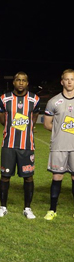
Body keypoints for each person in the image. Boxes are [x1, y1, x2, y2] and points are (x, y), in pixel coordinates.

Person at [0, 72, 40, 219]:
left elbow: (33, 118)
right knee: (5, 176)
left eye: (24, 80)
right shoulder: (4, 99)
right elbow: (2, 120)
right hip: (9, 144)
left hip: (27, 145)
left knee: (28, 177)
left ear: (27, 83)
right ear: (13, 82)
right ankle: (3, 207)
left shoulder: (35, 99)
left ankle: (27, 208)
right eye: (18, 80)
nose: (21, 83)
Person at [43, 69, 74, 220]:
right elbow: (47, 124)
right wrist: (61, 133)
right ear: (62, 82)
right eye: (67, 79)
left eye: (72, 79)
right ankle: (52, 210)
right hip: (59, 146)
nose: (69, 82)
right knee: (57, 178)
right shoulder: (53, 102)